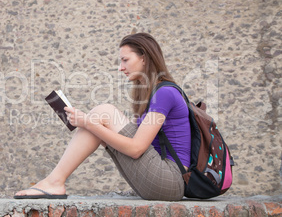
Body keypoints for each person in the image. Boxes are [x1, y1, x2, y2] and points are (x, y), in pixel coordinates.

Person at [14, 33, 191, 200]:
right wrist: (93, 125)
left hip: (171, 180)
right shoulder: (151, 93)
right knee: (99, 120)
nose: (121, 67)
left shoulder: (165, 93)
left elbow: (136, 149)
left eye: (125, 60)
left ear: (144, 58)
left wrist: (90, 124)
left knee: (103, 113)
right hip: (161, 179)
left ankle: (54, 182)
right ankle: (54, 181)